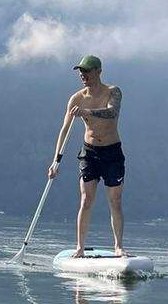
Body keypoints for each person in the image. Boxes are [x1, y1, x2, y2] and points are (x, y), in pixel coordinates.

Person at [47, 55, 125, 257]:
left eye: (87, 71)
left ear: (98, 71)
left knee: (115, 201)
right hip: (89, 153)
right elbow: (64, 130)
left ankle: (118, 247)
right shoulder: (77, 98)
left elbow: (112, 113)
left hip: (112, 152)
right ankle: (80, 248)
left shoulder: (113, 91)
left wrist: (86, 112)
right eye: (81, 71)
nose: (83, 75)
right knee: (86, 199)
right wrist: (55, 161)